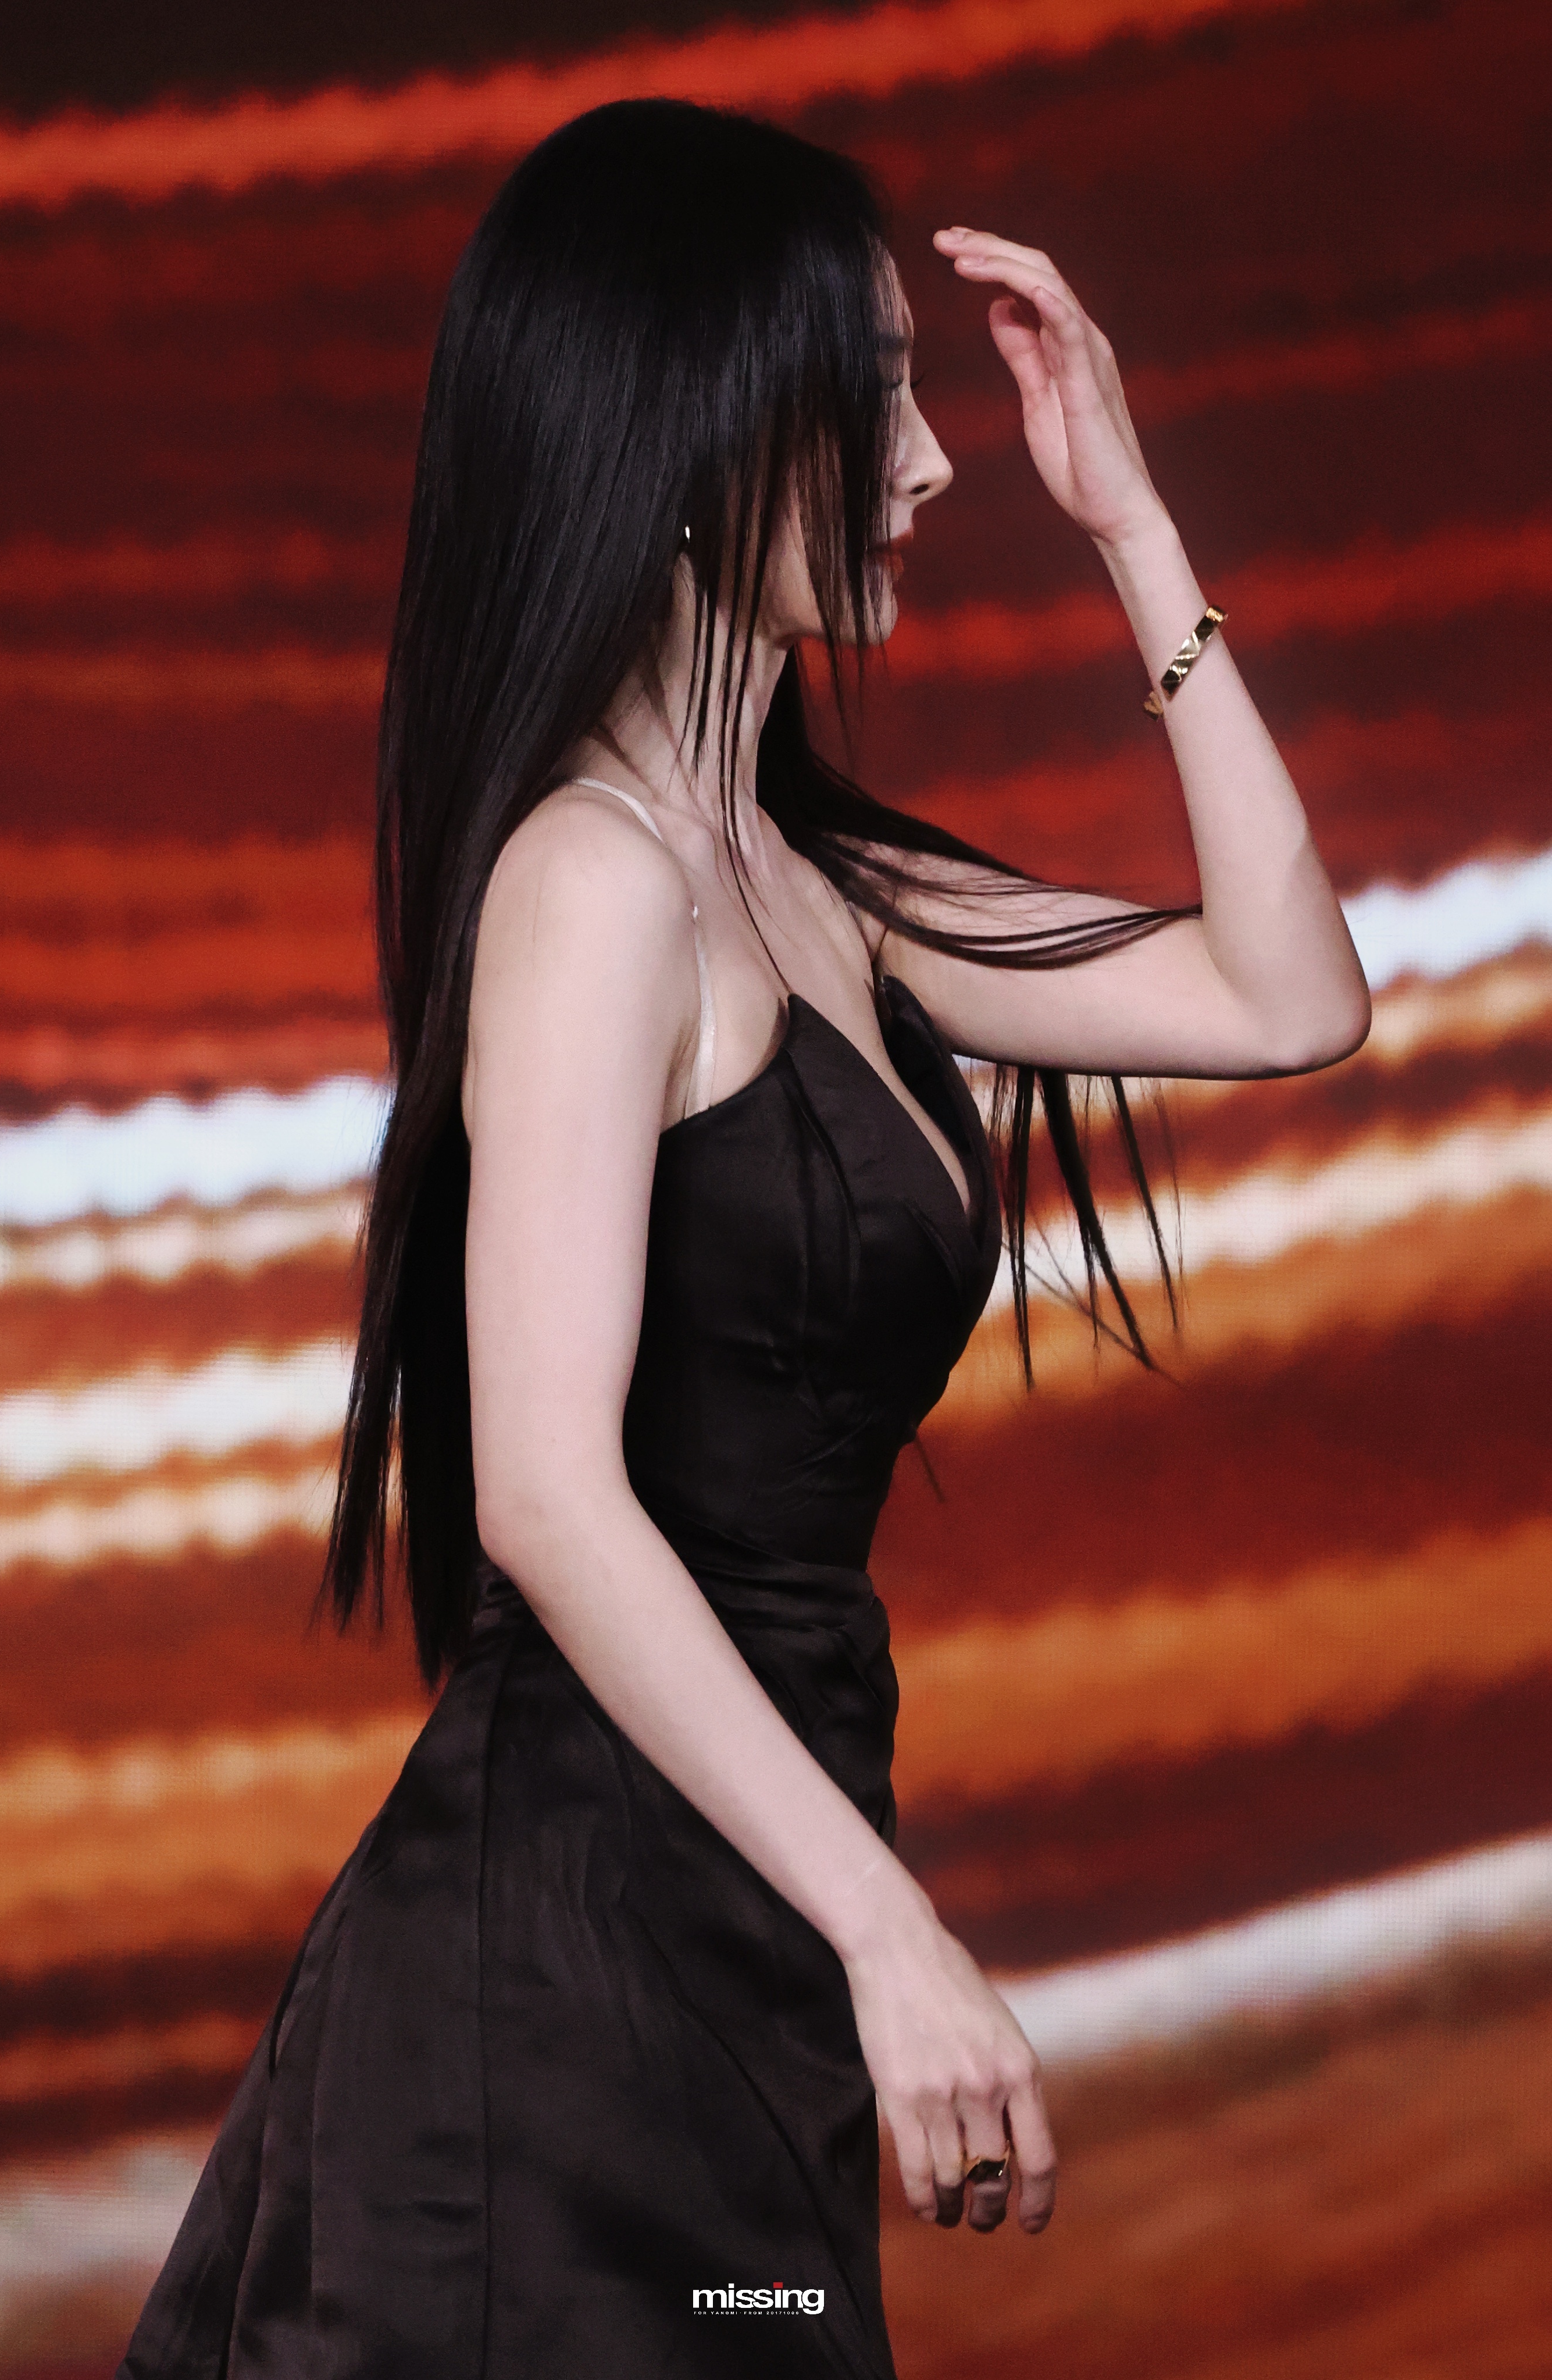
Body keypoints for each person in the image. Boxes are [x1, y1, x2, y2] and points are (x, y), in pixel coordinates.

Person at [119, 97, 1368, 2379]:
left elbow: (1288, 1000)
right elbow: (543, 1494)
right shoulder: (590, 884)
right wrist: (893, 1935)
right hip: (559, 1979)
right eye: (868, 398)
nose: (931, 462)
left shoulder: (828, 889)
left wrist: (1133, 524)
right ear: (697, 435)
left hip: (744, 1940)